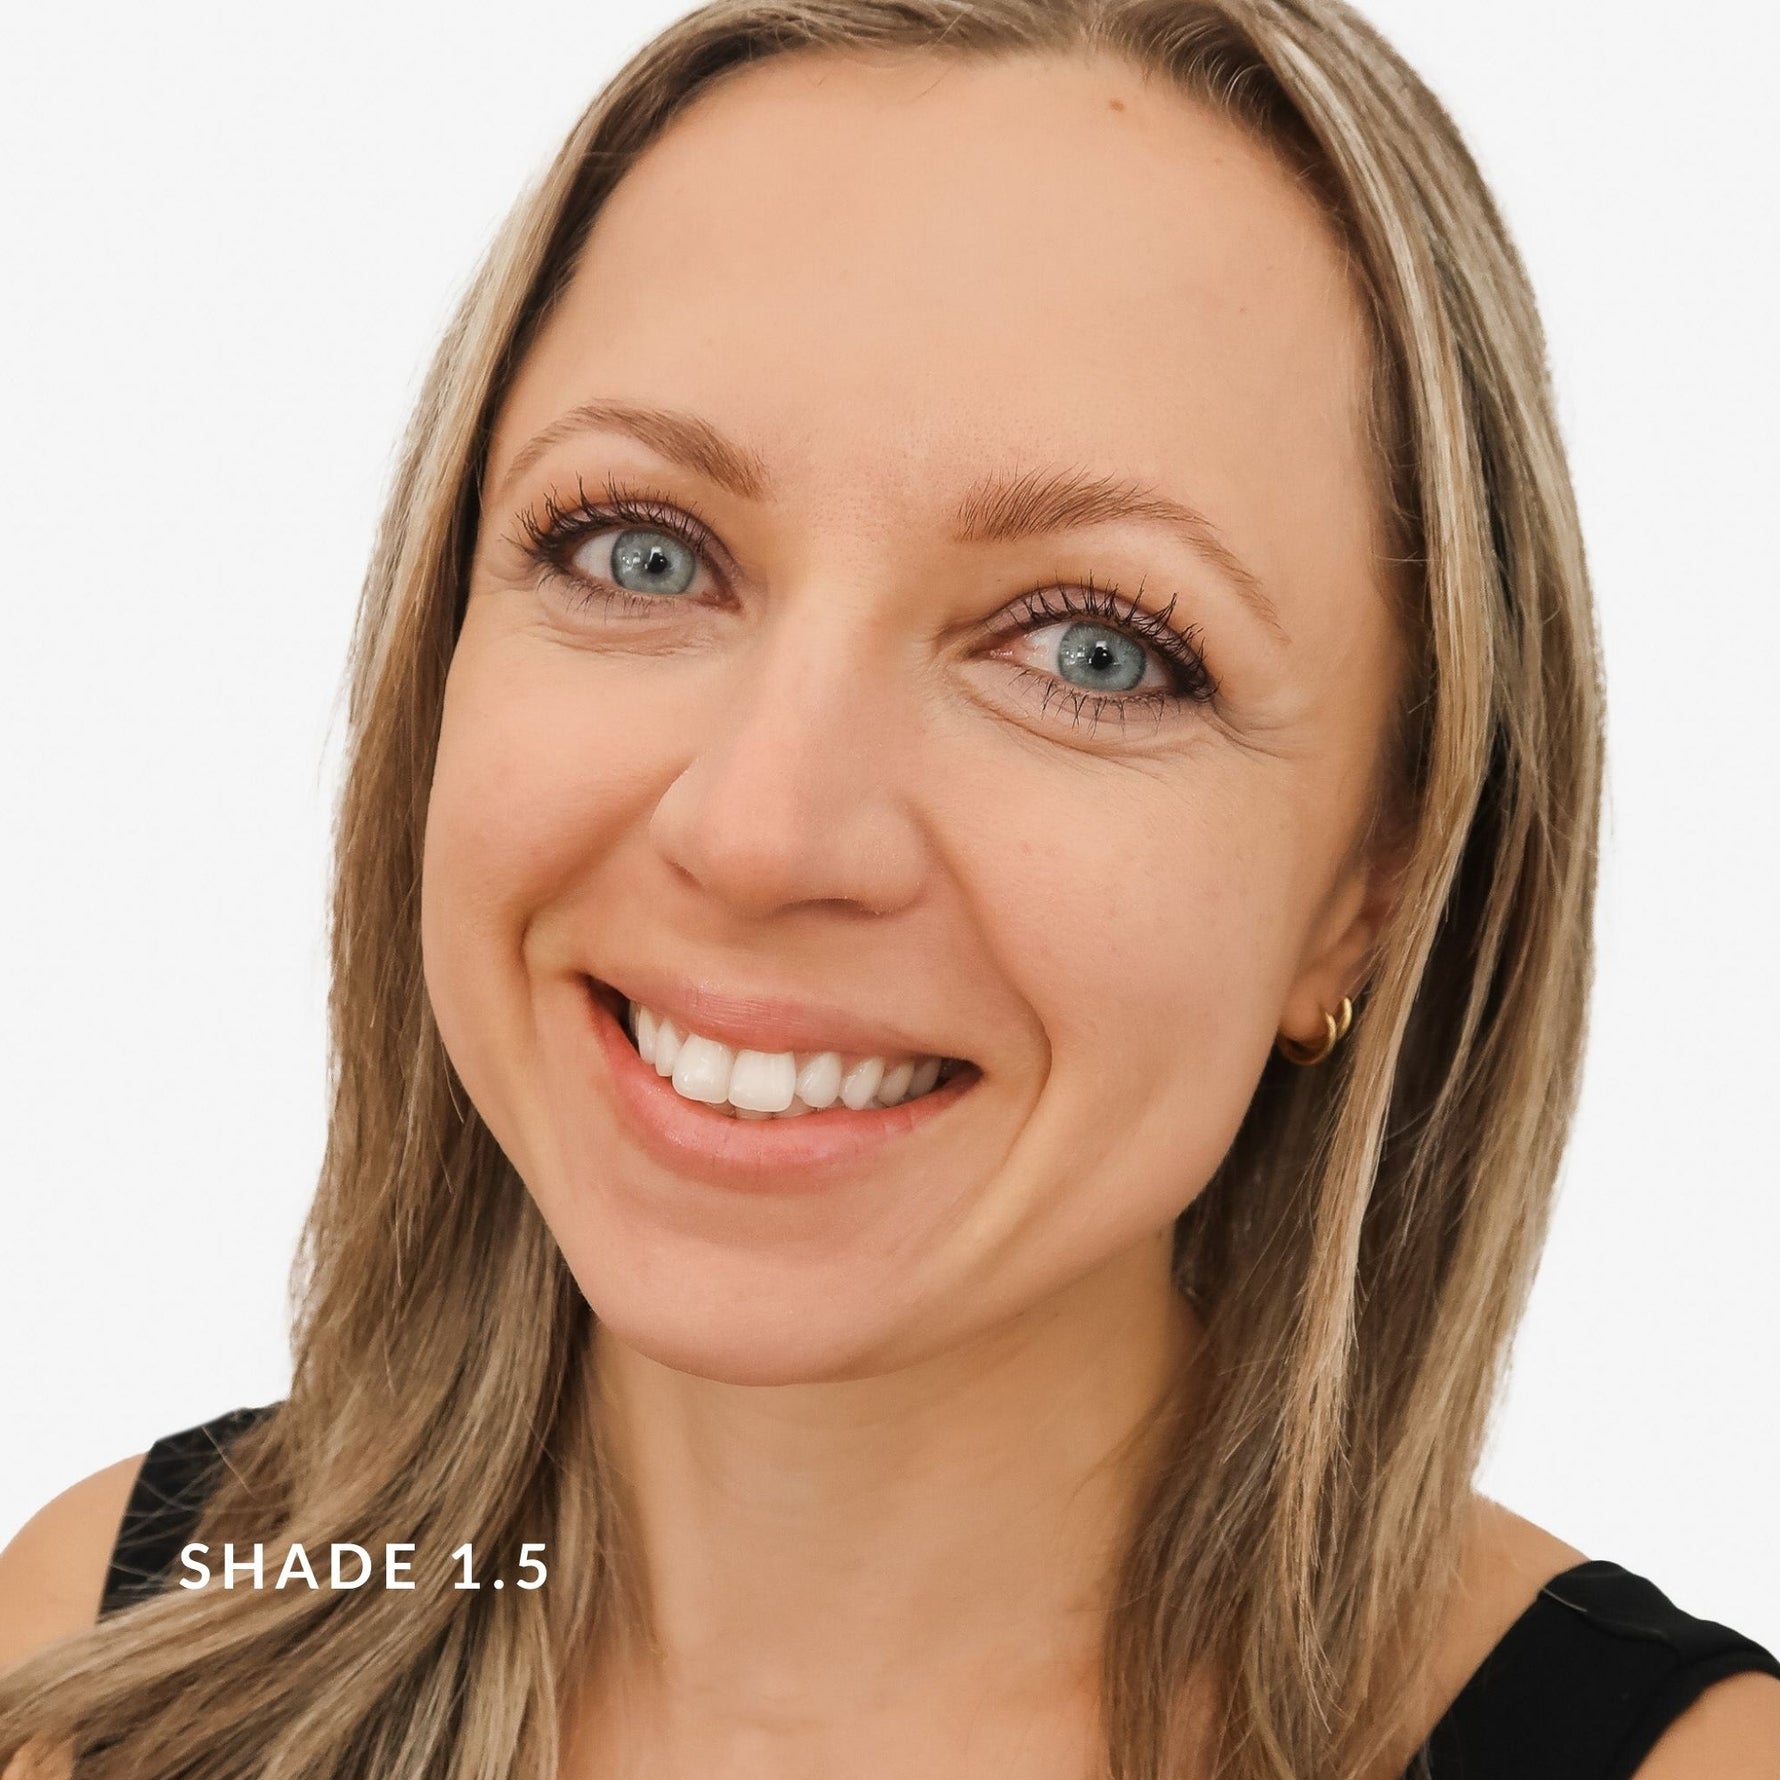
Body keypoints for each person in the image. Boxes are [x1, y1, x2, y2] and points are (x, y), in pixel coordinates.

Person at [2, 1, 1775, 1776]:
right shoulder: (127, 1629)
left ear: (1372, 889)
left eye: (1094, 651)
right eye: (643, 549)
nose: (761, 831)